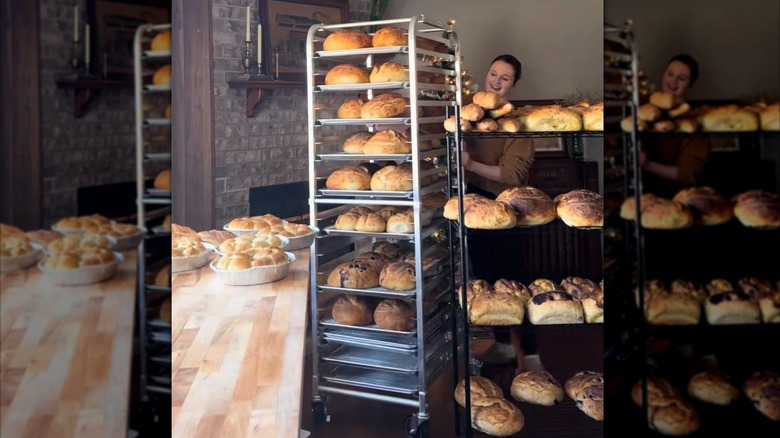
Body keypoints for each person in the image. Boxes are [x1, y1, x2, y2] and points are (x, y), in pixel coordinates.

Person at [461, 54, 536, 366]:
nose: (496, 80)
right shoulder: (469, 114)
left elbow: (512, 175)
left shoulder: (517, 123)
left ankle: (531, 353)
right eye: (493, 73)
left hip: (510, 204)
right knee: (487, 276)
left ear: (514, 85)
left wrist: (470, 165)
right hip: (475, 202)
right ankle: (504, 344)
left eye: (505, 78)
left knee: (516, 281)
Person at [638, 54, 711, 198]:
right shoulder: (643, 105)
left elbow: (688, 174)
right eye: (670, 74)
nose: (673, 81)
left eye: (681, 78)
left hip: (674, 197)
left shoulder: (694, 122)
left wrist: (647, 164)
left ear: (691, 85)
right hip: (636, 193)